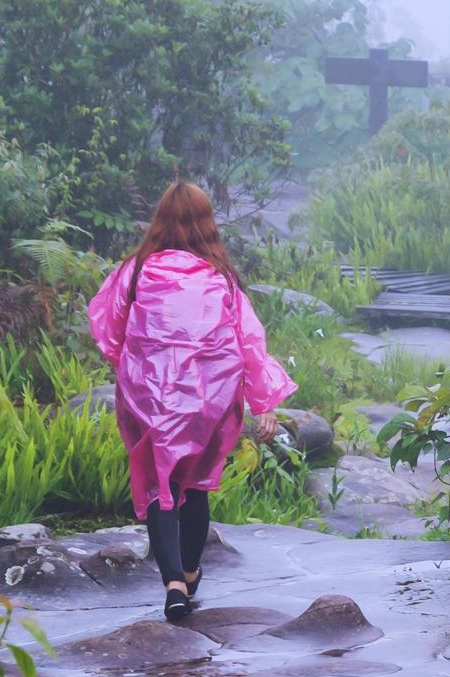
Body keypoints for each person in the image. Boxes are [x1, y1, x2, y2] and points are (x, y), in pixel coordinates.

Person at [87, 181, 295, 620]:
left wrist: (135, 363)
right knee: (194, 484)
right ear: (206, 223)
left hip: (148, 393)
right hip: (210, 397)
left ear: (160, 218)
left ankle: (174, 585)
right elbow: (249, 342)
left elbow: (108, 327)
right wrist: (264, 403)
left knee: (158, 480)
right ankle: (191, 571)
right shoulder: (220, 276)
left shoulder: (137, 269)